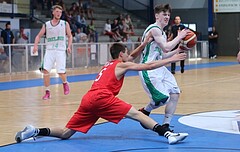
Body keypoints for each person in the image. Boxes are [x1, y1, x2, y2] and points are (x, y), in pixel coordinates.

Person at [15, 34, 188, 145]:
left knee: (67, 133)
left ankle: (35, 130)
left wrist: (143, 45)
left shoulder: (110, 64)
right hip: (101, 97)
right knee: (137, 114)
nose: (129, 56)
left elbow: (131, 56)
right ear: (121, 55)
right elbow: (148, 65)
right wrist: (172, 58)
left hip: (88, 98)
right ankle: (167, 134)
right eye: (126, 54)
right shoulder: (121, 65)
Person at [137, 4, 189, 132]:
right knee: (163, 98)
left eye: (168, 14)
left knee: (175, 93)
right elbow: (166, 47)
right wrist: (180, 36)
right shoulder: (154, 29)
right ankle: (145, 111)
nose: (166, 17)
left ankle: (166, 124)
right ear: (156, 16)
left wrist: (178, 50)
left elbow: (164, 54)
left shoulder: (162, 33)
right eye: (164, 14)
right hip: (148, 68)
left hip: (159, 67)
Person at [32, 5, 72, 100]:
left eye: (60, 12)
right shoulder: (47, 25)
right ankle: (47, 92)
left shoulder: (65, 24)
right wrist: (35, 46)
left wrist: (69, 46)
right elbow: (38, 36)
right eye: (57, 11)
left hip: (60, 51)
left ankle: (65, 83)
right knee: (45, 71)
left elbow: (70, 36)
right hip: (49, 50)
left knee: (60, 72)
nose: (59, 14)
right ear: (53, 12)